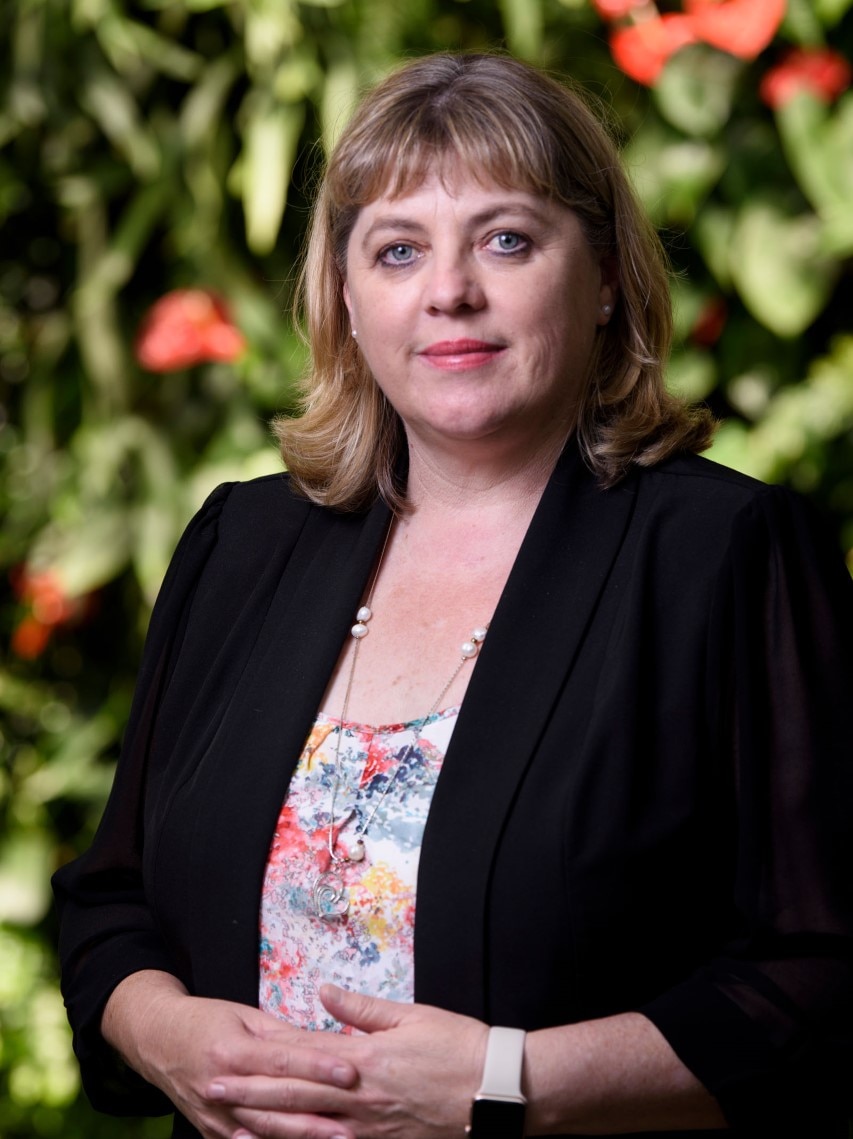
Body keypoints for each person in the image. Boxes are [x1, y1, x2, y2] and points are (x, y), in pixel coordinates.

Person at [53, 52, 853, 1139]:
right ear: (345, 293)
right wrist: (164, 1034)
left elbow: (818, 971)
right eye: (397, 250)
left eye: (507, 239)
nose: (449, 291)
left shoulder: (727, 554)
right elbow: (111, 900)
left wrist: (508, 1082)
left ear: (608, 270)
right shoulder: (241, 543)